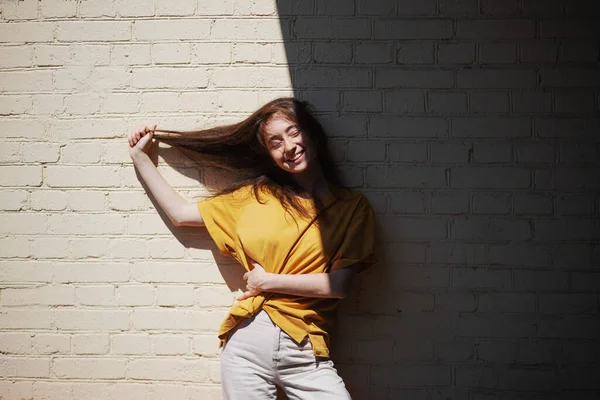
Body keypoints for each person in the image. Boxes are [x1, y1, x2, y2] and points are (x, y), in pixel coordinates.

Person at [127, 97, 376, 399]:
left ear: (312, 134)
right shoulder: (255, 197)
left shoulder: (353, 208)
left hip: (306, 348)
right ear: (270, 155)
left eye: (293, 132)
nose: (289, 147)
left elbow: (338, 285)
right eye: (275, 142)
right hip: (248, 343)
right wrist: (141, 160)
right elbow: (181, 214)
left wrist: (267, 281)